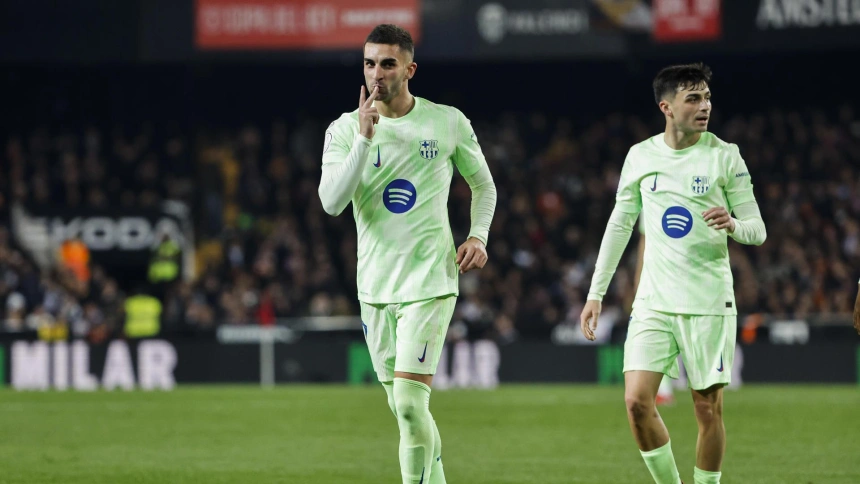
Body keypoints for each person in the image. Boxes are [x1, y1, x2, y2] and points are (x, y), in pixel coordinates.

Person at [318, 24, 497, 484]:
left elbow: (483, 185)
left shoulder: (446, 122)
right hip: (375, 287)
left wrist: (478, 236)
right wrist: (363, 139)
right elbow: (332, 203)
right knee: (404, 411)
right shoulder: (344, 129)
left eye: (387, 64)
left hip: (430, 281)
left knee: (411, 404)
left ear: (410, 70)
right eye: (369, 63)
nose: (376, 73)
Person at [580, 63, 766, 484]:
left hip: (708, 301)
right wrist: (596, 294)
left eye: (707, 98)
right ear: (666, 107)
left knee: (707, 410)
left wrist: (734, 225)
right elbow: (619, 226)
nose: (705, 107)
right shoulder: (641, 156)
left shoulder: (725, 156)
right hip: (653, 302)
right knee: (636, 403)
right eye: (693, 99)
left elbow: (758, 229)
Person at [634, 220, 675, 406]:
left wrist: (638, 279)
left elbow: (644, 242)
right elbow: (645, 242)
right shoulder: (649, 201)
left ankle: (662, 390)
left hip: (677, 275)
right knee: (659, 331)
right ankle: (662, 390)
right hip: (658, 277)